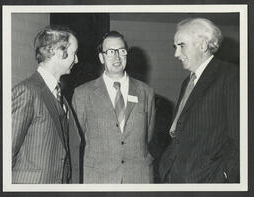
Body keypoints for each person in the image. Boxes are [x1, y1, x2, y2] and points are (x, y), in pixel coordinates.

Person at [159, 18, 239, 183]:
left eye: (182, 45)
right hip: (176, 176)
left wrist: (224, 175)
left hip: (206, 180)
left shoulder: (230, 75)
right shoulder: (187, 82)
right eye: (175, 47)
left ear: (203, 45)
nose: (176, 54)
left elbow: (240, 137)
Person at [72, 31, 156, 183]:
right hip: (98, 179)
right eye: (110, 52)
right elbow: (77, 142)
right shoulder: (83, 94)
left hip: (138, 178)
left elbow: (148, 136)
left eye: (121, 51)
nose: (117, 57)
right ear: (101, 57)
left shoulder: (146, 92)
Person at [12, 25, 81, 184]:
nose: (76, 60)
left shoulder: (61, 98)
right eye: (74, 53)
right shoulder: (26, 92)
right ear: (57, 52)